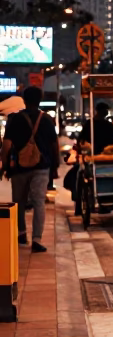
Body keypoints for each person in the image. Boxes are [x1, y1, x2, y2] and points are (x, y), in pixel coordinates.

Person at [1, 84, 60, 252]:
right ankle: (37, 239)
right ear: (40, 100)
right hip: (41, 167)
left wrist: (4, 166)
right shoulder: (47, 119)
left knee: (18, 201)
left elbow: (6, 146)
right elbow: (54, 145)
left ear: (24, 100)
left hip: (19, 167)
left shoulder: (15, 119)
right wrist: (55, 167)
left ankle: (21, 233)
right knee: (38, 202)